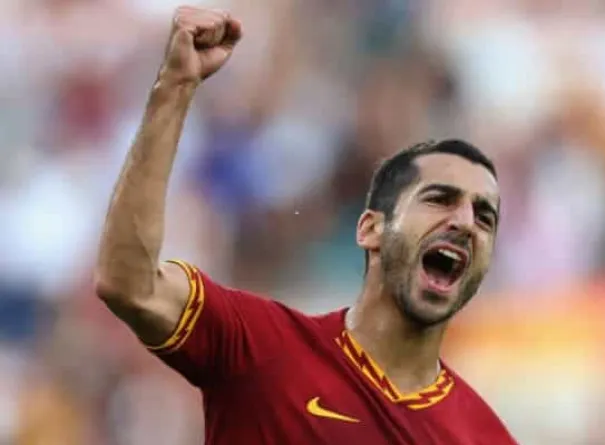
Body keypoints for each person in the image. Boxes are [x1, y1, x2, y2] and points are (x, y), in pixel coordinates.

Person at [94, 6, 518, 445]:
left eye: (485, 217)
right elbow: (129, 285)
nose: (465, 222)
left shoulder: (484, 436)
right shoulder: (263, 347)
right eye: (439, 200)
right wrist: (175, 88)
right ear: (370, 229)